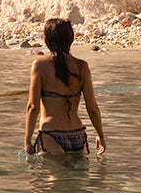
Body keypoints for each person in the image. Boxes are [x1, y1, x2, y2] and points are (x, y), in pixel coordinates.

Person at [24, 17, 106, 159]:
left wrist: (27, 141)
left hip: (51, 135)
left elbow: (33, 107)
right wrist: (101, 135)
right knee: (78, 181)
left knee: (56, 180)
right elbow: (92, 108)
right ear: (70, 39)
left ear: (47, 39)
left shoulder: (40, 66)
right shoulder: (82, 66)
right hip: (78, 136)